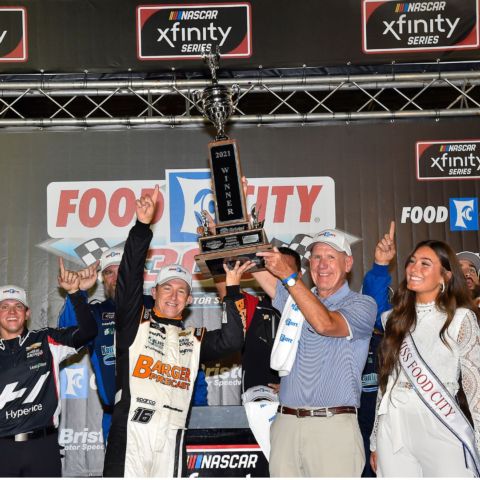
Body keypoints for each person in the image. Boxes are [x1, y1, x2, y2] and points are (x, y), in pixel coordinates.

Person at [103, 185, 244, 477]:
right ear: (154, 292)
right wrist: (142, 227)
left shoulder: (193, 340)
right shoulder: (134, 323)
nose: (174, 295)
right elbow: (128, 278)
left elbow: (233, 339)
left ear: (189, 300)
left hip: (173, 434)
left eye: (182, 291)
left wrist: (231, 289)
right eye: (167, 288)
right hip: (132, 431)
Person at [257, 228, 377, 477]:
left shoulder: (362, 304)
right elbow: (257, 264)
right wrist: (236, 226)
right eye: (316, 257)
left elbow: (325, 324)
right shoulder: (295, 300)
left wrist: (290, 279)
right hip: (286, 425)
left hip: (332, 428)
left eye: (331, 257)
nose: (322, 265)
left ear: (348, 263)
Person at [370, 240, 480, 477]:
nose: (413, 268)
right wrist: (375, 439)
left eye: (425, 263)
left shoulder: (461, 318)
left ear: (445, 276)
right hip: (393, 424)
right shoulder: (393, 318)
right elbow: (386, 382)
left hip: (441, 419)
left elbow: (475, 388)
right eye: (411, 262)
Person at [0, 260, 97, 477]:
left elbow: (88, 332)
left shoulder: (47, 340)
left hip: (42, 447)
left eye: (18, 306)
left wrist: (75, 293)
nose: (12, 312)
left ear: (27, 313)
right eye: (4, 307)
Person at [58, 248, 123, 444]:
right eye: (109, 272)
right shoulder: (96, 314)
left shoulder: (156, 306)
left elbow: (186, 361)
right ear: (103, 279)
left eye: (122, 270)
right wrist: (78, 292)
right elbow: (67, 335)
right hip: (116, 420)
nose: (116, 277)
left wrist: (197, 412)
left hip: (160, 419)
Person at [221, 247, 301, 393]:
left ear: (299, 276)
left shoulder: (312, 312)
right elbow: (225, 287)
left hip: (300, 400)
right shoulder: (254, 306)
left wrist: (294, 385)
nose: (279, 275)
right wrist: (219, 242)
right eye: (274, 270)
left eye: (286, 270)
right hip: (255, 403)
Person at [359, 221, 396, 477]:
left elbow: (378, 310)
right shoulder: (348, 336)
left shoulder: (395, 342)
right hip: (350, 432)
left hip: (390, 432)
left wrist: (381, 267)